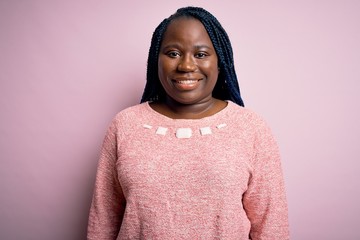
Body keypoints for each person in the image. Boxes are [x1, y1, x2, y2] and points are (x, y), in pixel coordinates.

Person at [87, 6, 289, 240]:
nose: (186, 66)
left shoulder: (251, 127)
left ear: (220, 61)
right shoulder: (125, 125)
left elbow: (271, 227)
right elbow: (103, 222)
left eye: (201, 54)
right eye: (173, 53)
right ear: (156, 59)